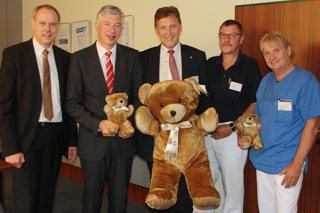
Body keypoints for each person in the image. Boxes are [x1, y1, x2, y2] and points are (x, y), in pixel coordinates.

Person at [0, 4, 78, 212]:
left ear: (57, 27)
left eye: (52, 24)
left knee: (47, 197)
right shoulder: (14, 55)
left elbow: (68, 103)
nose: (47, 29)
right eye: (43, 23)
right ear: (34, 23)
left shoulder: (65, 58)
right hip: (26, 139)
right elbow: (4, 105)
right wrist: (10, 148)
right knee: (26, 201)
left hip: (55, 136)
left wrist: (71, 140)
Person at [66, 5, 142, 213]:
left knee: (119, 202)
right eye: (107, 24)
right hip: (93, 143)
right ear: (97, 26)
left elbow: (138, 99)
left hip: (123, 144)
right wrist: (98, 124)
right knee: (91, 201)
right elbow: (72, 103)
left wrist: (130, 122)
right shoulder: (79, 59)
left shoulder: (133, 57)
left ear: (122, 29)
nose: (112, 30)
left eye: (117, 25)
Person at [137, 6, 208, 212]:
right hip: (158, 141)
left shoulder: (197, 56)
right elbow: (142, 98)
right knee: (160, 196)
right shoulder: (144, 58)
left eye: (173, 26)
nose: (168, 32)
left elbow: (202, 96)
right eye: (163, 27)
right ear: (156, 30)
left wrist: (204, 121)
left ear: (180, 27)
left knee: (185, 197)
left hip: (187, 141)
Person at [248, 31, 320, 213]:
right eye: (266, 53)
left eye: (276, 50)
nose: (272, 57)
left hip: (287, 164)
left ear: (288, 50)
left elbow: (313, 125)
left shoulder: (306, 81)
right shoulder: (266, 81)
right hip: (262, 161)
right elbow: (258, 117)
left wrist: (297, 165)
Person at [196, 20, 262, 213]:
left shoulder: (249, 65)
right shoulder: (209, 64)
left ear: (241, 39)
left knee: (233, 190)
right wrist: (207, 125)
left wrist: (232, 127)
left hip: (233, 135)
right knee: (204, 185)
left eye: (232, 35)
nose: (227, 39)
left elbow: (254, 103)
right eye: (223, 35)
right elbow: (202, 96)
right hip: (208, 134)